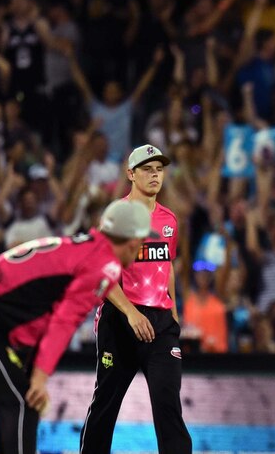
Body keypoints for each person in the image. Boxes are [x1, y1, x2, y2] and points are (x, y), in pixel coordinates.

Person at [0, 199, 157, 454]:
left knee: (21, 404)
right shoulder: (104, 265)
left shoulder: (86, 247)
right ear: (133, 242)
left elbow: (32, 309)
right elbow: (64, 321)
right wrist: (41, 376)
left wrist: (35, 372)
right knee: (21, 403)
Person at [80, 144, 192, 454]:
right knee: (105, 405)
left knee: (168, 404)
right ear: (131, 174)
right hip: (120, 320)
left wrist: (174, 312)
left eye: (159, 169)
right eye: (147, 169)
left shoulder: (169, 220)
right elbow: (100, 275)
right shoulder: (116, 217)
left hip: (160, 322)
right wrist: (131, 313)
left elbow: (165, 265)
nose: (155, 174)